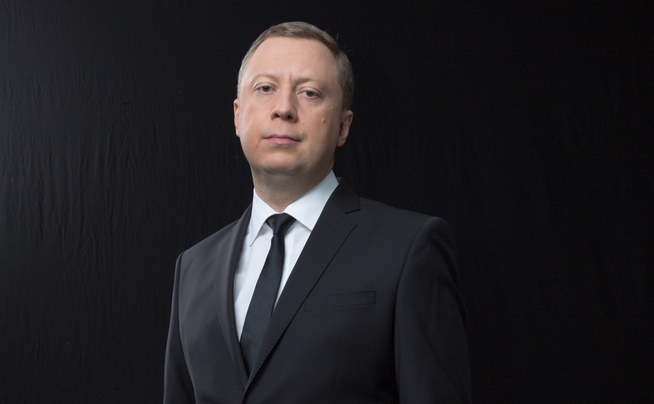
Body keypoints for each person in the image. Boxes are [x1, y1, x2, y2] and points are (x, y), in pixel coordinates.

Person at [164, 21, 470, 404]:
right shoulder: (193, 267)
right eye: (265, 88)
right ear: (238, 116)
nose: (284, 109)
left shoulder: (408, 249)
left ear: (343, 126)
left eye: (309, 93)